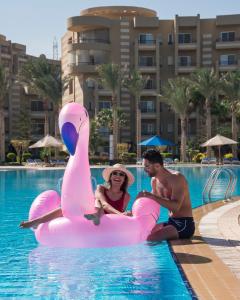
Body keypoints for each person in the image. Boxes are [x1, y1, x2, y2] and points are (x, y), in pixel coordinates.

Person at [19, 164, 134, 228]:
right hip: (92, 213)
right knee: (70, 207)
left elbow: (119, 214)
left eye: (121, 174)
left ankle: (97, 217)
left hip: (107, 222)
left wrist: (124, 215)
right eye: (115, 173)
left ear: (124, 179)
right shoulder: (100, 188)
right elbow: (105, 204)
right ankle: (36, 221)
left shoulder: (126, 196)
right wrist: (124, 216)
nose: (117, 176)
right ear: (110, 177)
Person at [136, 149, 195, 242]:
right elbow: (151, 203)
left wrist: (151, 196)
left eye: (147, 166)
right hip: (171, 221)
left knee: (150, 239)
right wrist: (136, 210)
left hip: (184, 224)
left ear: (157, 166)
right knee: (144, 233)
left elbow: (176, 207)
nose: (144, 169)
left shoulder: (176, 178)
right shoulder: (154, 181)